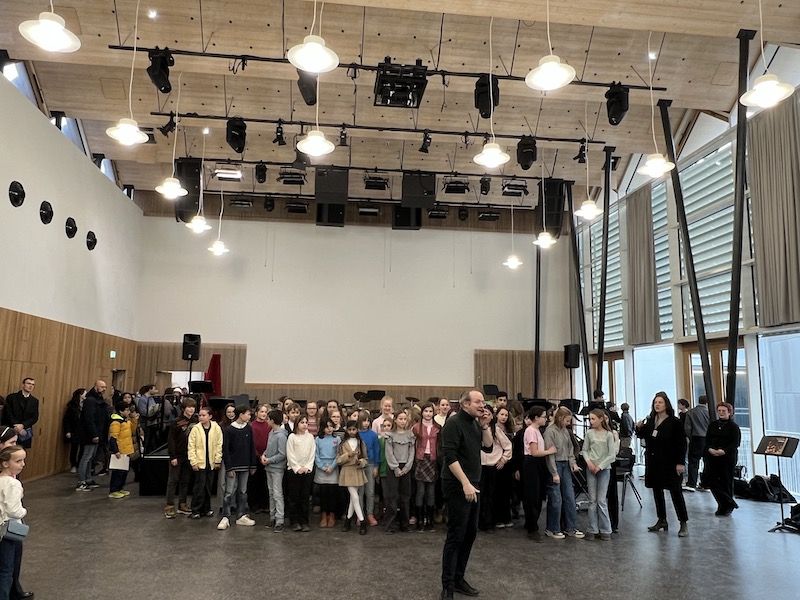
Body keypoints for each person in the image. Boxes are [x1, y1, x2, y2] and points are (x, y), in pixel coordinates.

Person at [439, 390, 493, 600]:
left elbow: (488, 447)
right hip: (457, 484)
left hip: (473, 483)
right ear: (465, 404)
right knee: (456, 535)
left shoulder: (475, 423)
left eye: (483, 402)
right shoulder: (453, 423)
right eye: (478, 402)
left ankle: (459, 579)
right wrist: (465, 483)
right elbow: (450, 457)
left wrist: (485, 426)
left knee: (470, 533)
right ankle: (448, 586)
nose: (482, 405)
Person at [636, 392, 689, 537]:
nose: (657, 405)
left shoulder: (675, 422)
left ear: (666, 404)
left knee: (675, 492)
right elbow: (643, 436)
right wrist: (638, 428)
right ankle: (662, 519)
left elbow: (681, 443)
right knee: (657, 491)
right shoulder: (651, 420)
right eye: (655, 402)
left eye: (660, 402)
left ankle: (683, 522)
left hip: (670, 462)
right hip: (654, 462)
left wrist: (680, 462)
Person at [543, 406, 584, 540]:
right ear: (560, 418)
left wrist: (573, 463)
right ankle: (552, 528)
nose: (568, 423)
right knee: (556, 499)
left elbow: (570, 449)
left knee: (570, 498)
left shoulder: (565, 430)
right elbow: (549, 454)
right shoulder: (550, 431)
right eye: (567, 420)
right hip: (555, 465)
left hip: (566, 464)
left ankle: (570, 528)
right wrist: (554, 473)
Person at [218, 406, 258, 530]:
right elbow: (226, 450)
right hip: (233, 466)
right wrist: (229, 468)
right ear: (241, 414)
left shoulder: (248, 428)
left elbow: (251, 447)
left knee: (243, 491)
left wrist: (253, 465)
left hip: (245, 466)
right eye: (247, 414)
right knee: (229, 492)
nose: (249, 416)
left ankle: (241, 515)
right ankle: (226, 516)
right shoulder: (229, 430)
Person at [582, 408, 619, 541]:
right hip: (591, 468)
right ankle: (592, 529)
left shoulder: (609, 435)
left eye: (593, 419)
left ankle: (606, 529)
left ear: (601, 419)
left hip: (604, 469)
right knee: (592, 500)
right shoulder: (589, 433)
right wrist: (589, 463)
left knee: (601, 500)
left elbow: (611, 455)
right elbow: (585, 450)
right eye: (590, 419)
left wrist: (600, 466)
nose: (591, 421)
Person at [522, 406, 556, 543]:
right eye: (543, 416)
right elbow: (534, 452)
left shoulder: (537, 430)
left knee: (538, 496)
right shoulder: (531, 431)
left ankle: (531, 523)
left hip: (537, 464)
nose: (545, 418)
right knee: (533, 496)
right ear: (536, 418)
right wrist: (550, 451)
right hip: (532, 463)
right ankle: (532, 528)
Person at [0, 445, 27, 600]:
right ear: (5, 463)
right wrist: (24, 512)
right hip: (8, 530)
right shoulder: (13, 483)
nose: (22, 464)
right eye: (18, 461)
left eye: (23, 460)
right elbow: (14, 510)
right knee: (6, 570)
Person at [479, 405, 512, 532]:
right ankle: (480, 521)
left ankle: (489, 522)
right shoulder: (475, 427)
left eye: (488, 414)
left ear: (492, 416)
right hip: (480, 465)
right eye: (483, 413)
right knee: (481, 495)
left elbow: (508, 446)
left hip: (492, 466)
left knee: (491, 495)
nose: (485, 416)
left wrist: (503, 459)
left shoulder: (495, 429)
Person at [704, 402, 741, 516]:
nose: (721, 413)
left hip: (727, 458)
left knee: (726, 482)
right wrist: (710, 449)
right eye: (719, 411)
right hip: (712, 457)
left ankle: (727, 506)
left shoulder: (734, 427)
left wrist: (724, 451)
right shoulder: (713, 425)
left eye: (723, 411)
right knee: (712, 481)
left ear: (729, 412)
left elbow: (735, 443)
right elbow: (707, 440)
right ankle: (725, 503)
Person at [164, 398, 197, 518]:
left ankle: (182, 505)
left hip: (189, 455)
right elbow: (171, 440)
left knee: (185, 481)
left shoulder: (196, 421)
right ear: (183, 408)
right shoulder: (176, 422)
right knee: (173, 481)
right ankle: (169, 506)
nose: (191, 409)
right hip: (177, 456)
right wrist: (173, 456)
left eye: (193, 407)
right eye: (189, 407)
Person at [188, 407, 223, 519]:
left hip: (211, 462)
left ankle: (206, 509)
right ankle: (196, 510)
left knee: (208, 487)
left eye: (204, 415)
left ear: (210, 416)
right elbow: (191, 446)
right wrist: (193, 462)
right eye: (200, 415)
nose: (201, 417)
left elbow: (219, 444)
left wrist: (217, 460)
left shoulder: (216, 428)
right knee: (199, 487)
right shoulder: (195, 429)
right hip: (200, 463)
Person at [384, 410, 415, 533]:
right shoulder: (390, 435)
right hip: (393, 467)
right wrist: (395, 468)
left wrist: (407, 468)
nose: (403, 421)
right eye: (400, 419)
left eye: (404, 419)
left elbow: (411, 452)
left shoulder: (410, 434)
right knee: (392, 497)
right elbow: (389, 452)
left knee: (405, 497)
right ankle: (390, 525)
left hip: (406, 467)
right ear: (395, 420)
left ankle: (404, 524)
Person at [412, 402, 441, 532]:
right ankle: (419, 520)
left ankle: (430, 521)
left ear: (433, 413)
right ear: (422, 412)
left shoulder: (438, 427)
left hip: (433, 460)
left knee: (431, 492)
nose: (428, 414)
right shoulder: (416, 427)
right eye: (426, 411)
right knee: (420, 491)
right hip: (420, 460)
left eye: (430, 411)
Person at [337, 420, 369, 535]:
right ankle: (362, 521)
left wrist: (361, 462)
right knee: (355, 496)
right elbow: (338, 460)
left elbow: (366, 459)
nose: (351, 431)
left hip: (357, 470)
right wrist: (348, 455)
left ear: (357, 430)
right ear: (346, 430)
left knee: (353, 498)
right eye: (349, 429)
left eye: (354, 429)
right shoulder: (342, 443)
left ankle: (348, 521)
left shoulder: (361, 442)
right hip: (347, 471)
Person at [76, 380, 107, 492]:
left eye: (105, 387)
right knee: (86, 457)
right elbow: (89, 418)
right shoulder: (90, 400)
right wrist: (94, 434)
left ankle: (88, 479)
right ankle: (81, 481)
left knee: (91, 458)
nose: (104, 389)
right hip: (89, 434)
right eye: (102, 387)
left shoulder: (96, 399)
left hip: (96, 432)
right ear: (95, 386)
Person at [285, 415, 315, 532]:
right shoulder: (292, 437)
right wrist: (297, 468)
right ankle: (294, 521)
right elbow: (290, 454)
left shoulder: (310, 437)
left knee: (305, 497)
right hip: (294, 471)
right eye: (302, 422)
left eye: (306, 422)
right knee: (294, 497)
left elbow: (312, 453)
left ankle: (304, 521)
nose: (304, 425)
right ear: (297, 424)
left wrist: (307, 467)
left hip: (307, 471)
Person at [262, 409, 288, 532]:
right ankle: (272, 517)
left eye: (268, 419)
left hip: (277, 468)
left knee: (277, 494)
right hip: (269, 467)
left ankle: (279, 520)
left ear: (272, 420)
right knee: (271, 493)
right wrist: (264, 455)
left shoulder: (281, 436)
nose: (267, 421)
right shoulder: (271, 433)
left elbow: (282, 454)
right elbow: (268, 448)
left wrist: (269, 460)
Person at [492, 406, 515, 529]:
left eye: (506, 415)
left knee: (507, 492)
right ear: (497, 415)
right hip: (497, 462)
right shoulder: (494, 428)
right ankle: (498, 518)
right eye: (502, 414)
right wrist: (502, 460)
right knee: (498, 492)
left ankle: (506, 517)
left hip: (508, 464)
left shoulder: (509, 429)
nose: (504, 417)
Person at [357, 410, 381, 527]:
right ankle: (360, 515)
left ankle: (370, 514)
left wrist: (376, 466)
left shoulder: (373, 435)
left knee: (370, 491)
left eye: (368, 421)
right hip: (358, 466)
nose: (366, 423)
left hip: (371, 464)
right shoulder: (356, 434)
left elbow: (377, 450)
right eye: (364, 421)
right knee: (359, 492)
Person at [315, 418, 340, 528]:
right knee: (323, 494)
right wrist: (322, 467)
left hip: (333, 468)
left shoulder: (337, 439)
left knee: (332, 494)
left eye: (331, 426)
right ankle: (324, 515)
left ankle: (332, 515)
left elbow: (338, 454)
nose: (329, 429)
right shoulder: (318, 439)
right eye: (327, 426)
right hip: (321, 469)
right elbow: (315, 454)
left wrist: (332, 466)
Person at [1, 379, 39, 451]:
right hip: (10, 429)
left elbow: (34, 417)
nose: (31, 386)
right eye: (28, 383)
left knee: (21, 451)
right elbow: (7, 413)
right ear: (23, 385)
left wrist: (23, 425)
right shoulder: (11, 397)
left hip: (24, 431)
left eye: (33, 384)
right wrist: (16, 426)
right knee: (7, 451)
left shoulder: (35, 401)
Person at [107, 400, 134, 499]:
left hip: (127, 449)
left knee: (124, 472)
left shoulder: (126, 421)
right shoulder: (116, 422)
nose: (128, 412)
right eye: (126, 410)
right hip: (120, 450)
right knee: (118, 472)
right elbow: (113, 438)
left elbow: (133, 430)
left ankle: (120, 488)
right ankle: (113, 490)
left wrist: (134, 420)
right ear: (121, 411)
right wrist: (116, 451)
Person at [247, 403, 271, 514]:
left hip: (267, 457)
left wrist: (265, 455)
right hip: (255, 457)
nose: (264, 414)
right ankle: (254, 505)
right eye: (261, 411)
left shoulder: (268, 425)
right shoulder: (251, 426)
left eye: (265, 412)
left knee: (265, 482)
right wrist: (258, 455)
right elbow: (251, 443)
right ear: (256, 413)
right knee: (254, 481)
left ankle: (264, 504)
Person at [684, 395, 711, 491]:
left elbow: (687, 428)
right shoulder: (710, 412)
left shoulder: (691, 412)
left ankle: (692, 484)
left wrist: (691, 437)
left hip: (696, 438)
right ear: (707, 402)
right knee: (707, 462)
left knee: (693, 462)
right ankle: (706, 484)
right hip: (708, 439)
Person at [62, 388, 84, 473]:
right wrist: (68, 431)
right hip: (75, 430)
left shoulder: (86, 405)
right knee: (74, 448)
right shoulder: (72, 406)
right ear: (80, 395)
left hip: (83, 430)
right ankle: (73, 465)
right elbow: (67, 420)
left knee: (82, 449)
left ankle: (79, 465)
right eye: (84, 393)